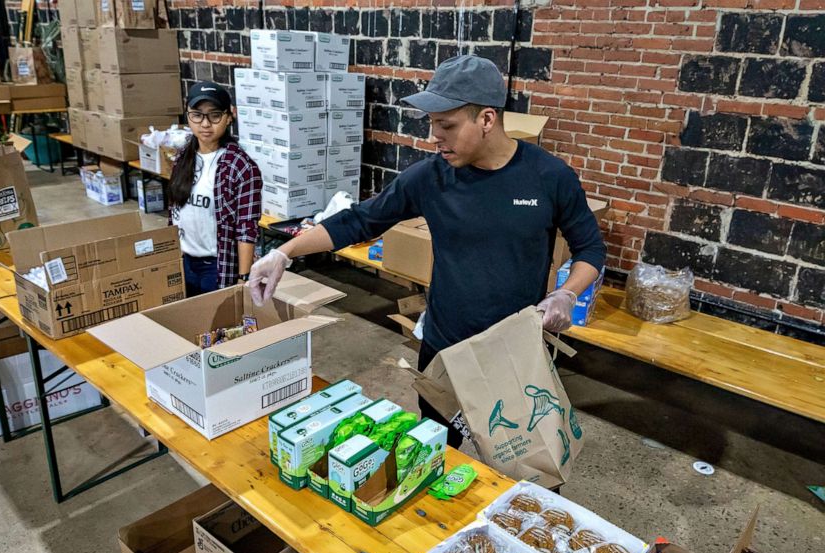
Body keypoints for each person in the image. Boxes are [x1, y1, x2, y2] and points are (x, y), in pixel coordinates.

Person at [247, 55, 606, 448]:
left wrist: (567, 292)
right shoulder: (431, 178)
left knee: (521, 459)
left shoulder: (549, 177)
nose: (434, 137)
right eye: (432, 124)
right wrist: (284, 253)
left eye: (447, 125)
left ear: (487, 119)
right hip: (444, 347)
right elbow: (359, 220)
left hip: (516, 352)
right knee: (435, 450)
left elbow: (590, 249)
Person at [168, 81, 262, 295]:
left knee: (216, 325)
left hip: (217, 267)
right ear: (188, 115)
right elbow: (174, 213)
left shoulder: (241, 167)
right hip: (183, 260)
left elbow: (246, 227)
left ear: (230, 116)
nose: (205, 124)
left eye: (215, 115)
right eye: (197, 115)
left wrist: (243, 278)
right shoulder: (183, 157)